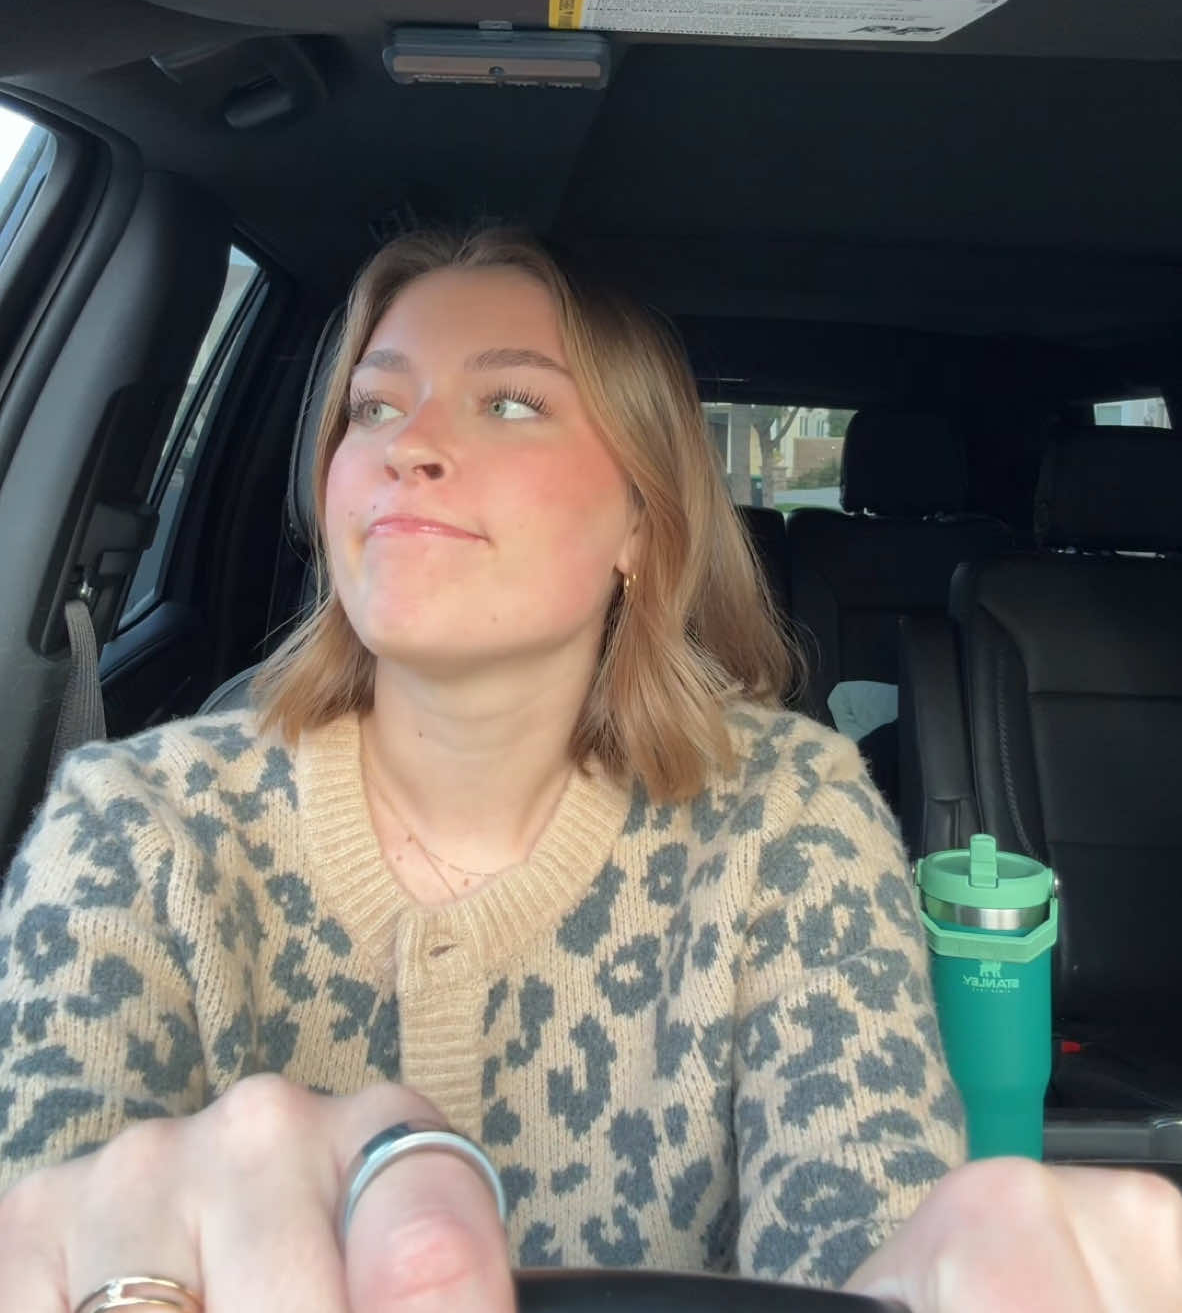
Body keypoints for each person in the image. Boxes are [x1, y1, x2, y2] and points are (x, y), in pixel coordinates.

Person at [0, 223, 1177, 1313]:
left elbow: (860, 1228)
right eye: (373, 406)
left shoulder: (788, 818)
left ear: (642, 527)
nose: (410, 445)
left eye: (511, 402)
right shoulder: (132, 830)